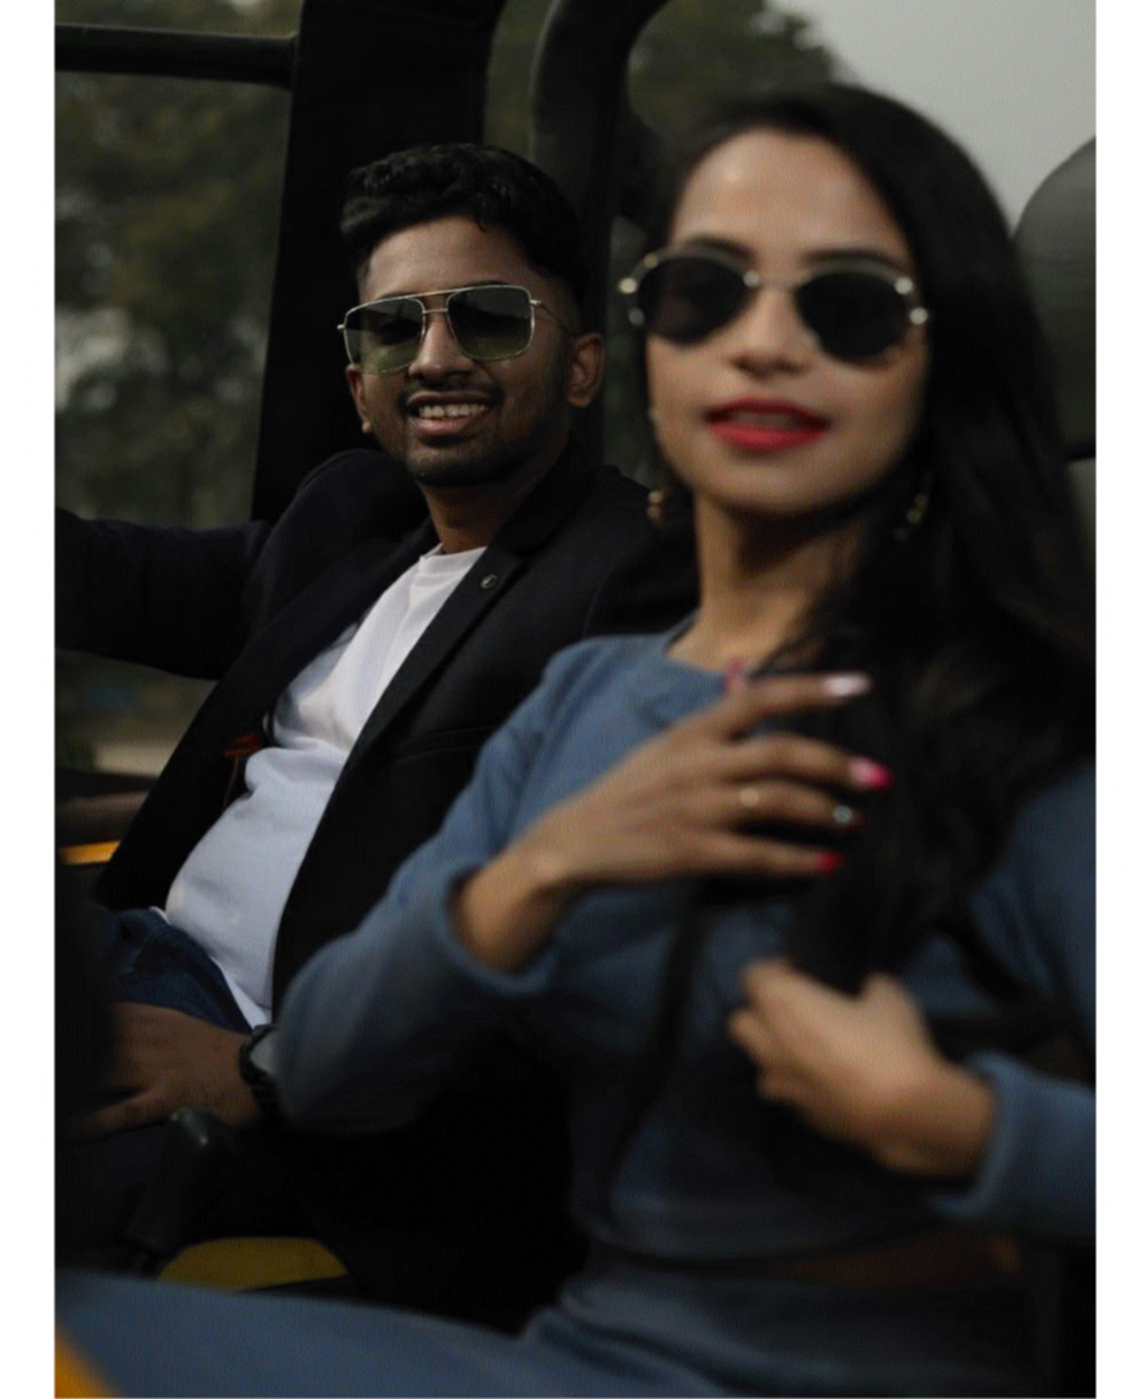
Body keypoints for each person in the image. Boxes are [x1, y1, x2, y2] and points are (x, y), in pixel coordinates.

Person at [58, 82, 1093, 1397]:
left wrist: (959, 1124)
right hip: (578, 1352)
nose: (762, 344)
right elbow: (329, 1062)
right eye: (707, 293)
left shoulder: (1022, 733)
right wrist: (537, 875)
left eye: (844, 305)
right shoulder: (591, 699)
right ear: (663, 351)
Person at [56, 142, 696, 1303]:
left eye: (487, 318)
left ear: (581, 365)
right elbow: (94, 571)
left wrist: (261, 1069)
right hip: (125, 953)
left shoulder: (632, 582)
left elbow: (591, 960)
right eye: (395, 329)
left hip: (285, 1084)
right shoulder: (348, 527)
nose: (436, 356)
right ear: (359, 386)